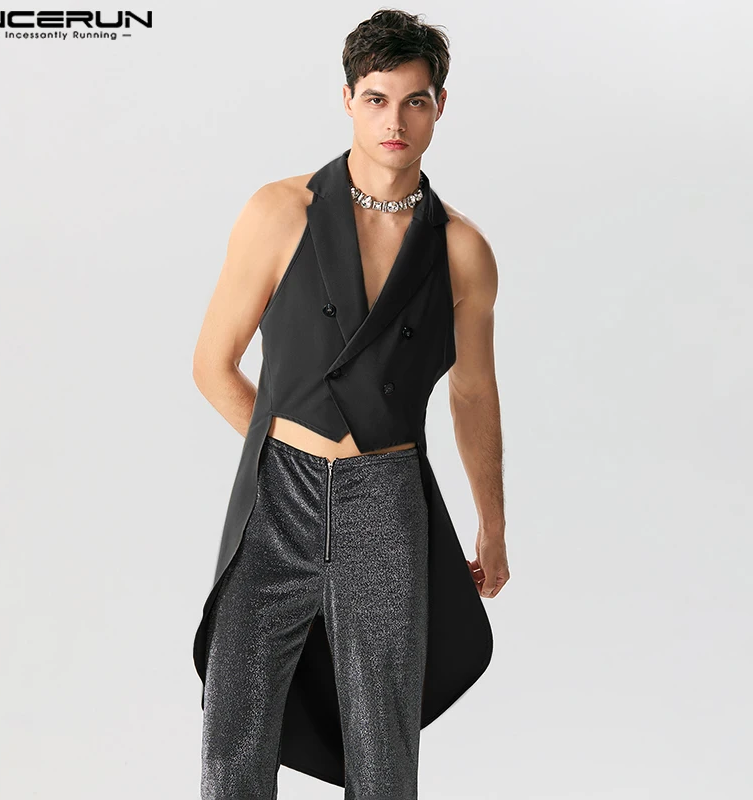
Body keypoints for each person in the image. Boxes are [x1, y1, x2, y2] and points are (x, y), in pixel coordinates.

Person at [192, 9, 509, 799]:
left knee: (382, 747)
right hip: (277, 497)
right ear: (347, 101)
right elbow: (213, 366)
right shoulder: (279, 212)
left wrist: (492, 524)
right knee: (233, 735)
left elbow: (474, 391)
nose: (394, 121)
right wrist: (283, 451)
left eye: (414, 101)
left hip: (386, 501)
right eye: (376, 99)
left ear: (439, 107)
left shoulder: (461, 250)